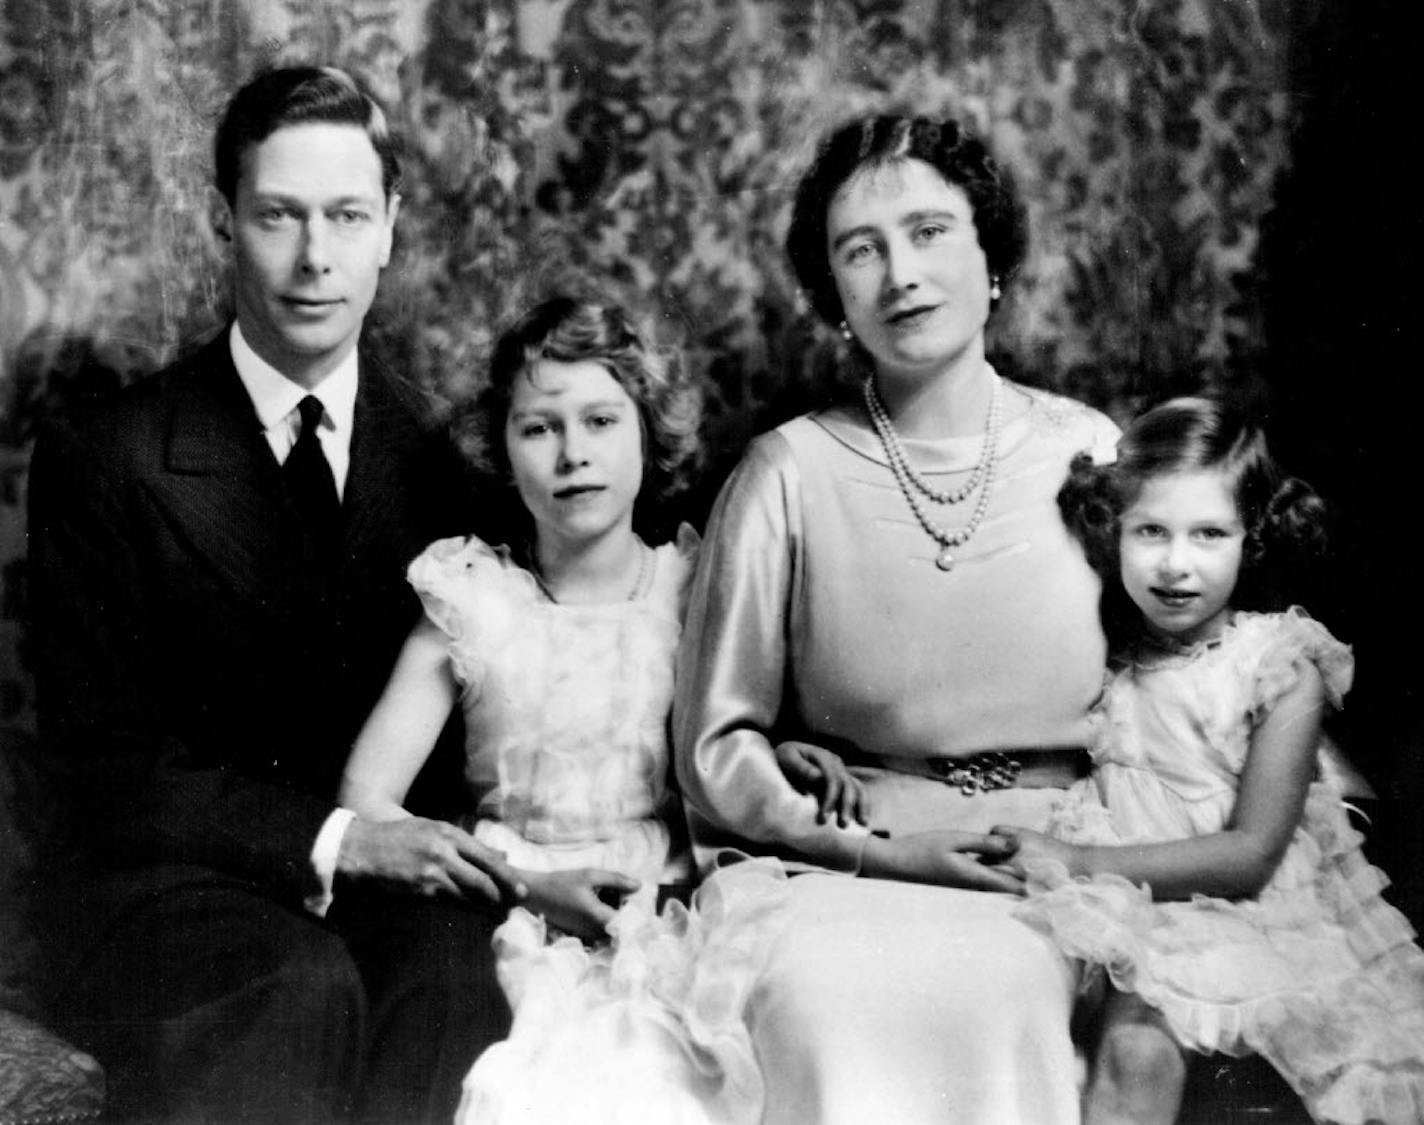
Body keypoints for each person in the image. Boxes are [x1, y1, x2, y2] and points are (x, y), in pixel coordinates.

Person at [26, 65, 522, 1124]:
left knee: (454, 977)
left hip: (379, 889)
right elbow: (106, 773)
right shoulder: (108, 457)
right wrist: (336, 839)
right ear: (224, 225)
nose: (314, 259)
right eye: (277, 218)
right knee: (293, 985)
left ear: (390, 225)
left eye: (346, 217)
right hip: (163, 889)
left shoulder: (450, 464)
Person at [674, 111, 1122, 1124]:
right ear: (833, 294)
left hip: (1047, 853)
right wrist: (879, 849)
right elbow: (717, 743)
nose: (899, 274)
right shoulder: (784, 472)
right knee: (823, 1004)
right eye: (859, 250)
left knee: (998, 995)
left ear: (990, 256)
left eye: (929, 233)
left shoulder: (1087, 450)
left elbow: (1178, 667)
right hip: (851, 854)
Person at [340, 296, 787, 1125]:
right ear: (503, 452)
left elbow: (749, 747)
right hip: (510, 914)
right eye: (540, 428)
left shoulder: (693, 594)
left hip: (667, 913)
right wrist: (529, 885)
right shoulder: (470, 599)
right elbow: (365, 801)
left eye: (601, 420)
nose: (573, 454)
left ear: (649, 435)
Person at [997, 397, 1424, 1125]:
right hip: (1133, 912)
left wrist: (1071, 857)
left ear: (1253, 538)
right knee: (1130, 1057)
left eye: (1209, 534)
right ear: (1112, 531)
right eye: (1151, 531)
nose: (1175, 563)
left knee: (1353, 1081)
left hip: (1254, 918)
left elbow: (1251, 854)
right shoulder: (1102, 653)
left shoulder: (1280, 665)